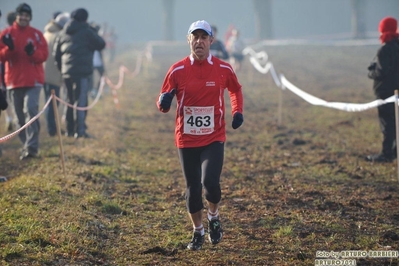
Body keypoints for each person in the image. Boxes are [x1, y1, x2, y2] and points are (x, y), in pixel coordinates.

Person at [157, 20, 244, 251]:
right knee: (192, 189)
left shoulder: (223, 68)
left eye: (203, 37)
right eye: (194, 37)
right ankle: (198, 231)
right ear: (189, 41)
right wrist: (164, 102)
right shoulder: (177, 70)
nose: (199, 42)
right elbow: (163, 102)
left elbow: (236, 89)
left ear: (211, 41)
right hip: (186, 139)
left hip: (214, 137)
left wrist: (237, 112)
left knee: (210, 184)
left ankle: (214, 217)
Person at [0, 3, 48, 160]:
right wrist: (10, 49)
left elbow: (44, 56)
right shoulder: (6, 34)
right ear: (16, 16)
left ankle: (31, 148)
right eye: (21, 15)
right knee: (19, 118)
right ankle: (25, 145)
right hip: (13, 81)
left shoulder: (36, 35)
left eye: (27, 15)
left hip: (33, 80)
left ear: (30, 17)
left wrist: (33, 52)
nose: (23, 18)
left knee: (31, 110)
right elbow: (1, 56)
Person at [54, 8, 105, 138]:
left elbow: (56, 54)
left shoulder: (63, 32)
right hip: (82, 72)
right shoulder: (87, 32)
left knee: (69, 100)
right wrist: (93, 30)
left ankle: (70, 130)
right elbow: (101, 44)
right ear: (85, 19)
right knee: (81, 101)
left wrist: (62, 69)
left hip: (66, 72)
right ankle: (80, 131)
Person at [366, 16, 399, 163]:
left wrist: (371, 71)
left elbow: (381, 72)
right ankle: (395, 151)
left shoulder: (385, 50)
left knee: (387, 124)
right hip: (396, 91)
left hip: (385, 92)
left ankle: (386, 154)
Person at [43, 12, 70, 136]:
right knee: (53, 104)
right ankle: (52, 130)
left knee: (49, 102)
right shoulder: (58, 35)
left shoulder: (46, 33)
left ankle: (52, 128)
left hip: (44, 72)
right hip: (54, 73)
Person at [2, 11, 16, 132]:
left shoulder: (4, 33)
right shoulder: (7, 34)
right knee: (10, 96)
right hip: (10, 70)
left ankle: (9, 118)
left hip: (4, 71)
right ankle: (13, 118)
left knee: (5, 95)